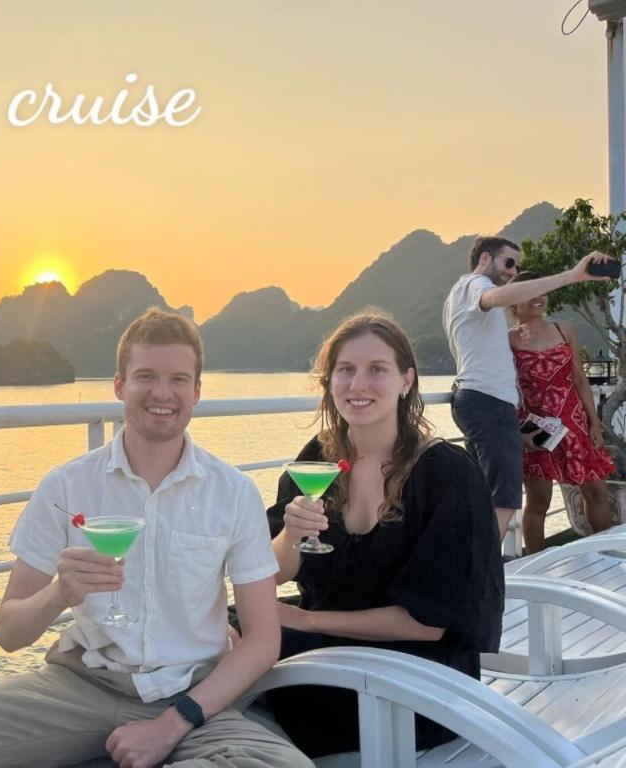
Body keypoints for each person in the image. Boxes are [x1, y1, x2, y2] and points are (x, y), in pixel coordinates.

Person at [0, 308, 312, 768]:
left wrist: (170, 726)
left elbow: (261, 641)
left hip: (194, 694)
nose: (162, 392)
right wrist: (59, 593)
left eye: (178, 379)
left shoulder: (231, 492)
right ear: (119, 385)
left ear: (196, 391)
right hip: (82, 686)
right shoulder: (67, 486)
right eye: (146, 376)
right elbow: (11, 633)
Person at [262, 312, 505, 758]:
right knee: (212, 633)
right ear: (329, 382)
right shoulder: (318, 458)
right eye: (346, 370)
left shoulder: (446, 474)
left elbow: (428, 625)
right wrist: (292, 534)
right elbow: (272, 574)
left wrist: (309, 620)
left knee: (234, 659)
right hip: (326, 657)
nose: (358, 385)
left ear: (406, 380)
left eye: (377, 369)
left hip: (416, 685)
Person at [443, 236, 613, 540]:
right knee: (514, 499)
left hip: (552, 417)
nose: (512, 271)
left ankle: (485, 561)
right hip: (515, 415)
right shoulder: (475, 287)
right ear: (485, 258)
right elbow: (497, 299)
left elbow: (577, 377)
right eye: (508, 263)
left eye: (516, 267)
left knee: (501, 495)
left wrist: (592, 422)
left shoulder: (497, 319)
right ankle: (490, 563)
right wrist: (572, 276)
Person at [507, 271, 614, 553]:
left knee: (596, 492)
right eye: (529, 293)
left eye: (541, 291)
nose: (538, 298)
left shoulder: (563, 330)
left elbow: (579, 379)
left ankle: (604, 555)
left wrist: (593, 421)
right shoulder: (507, 340)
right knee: (539, 501)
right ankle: (535, 565)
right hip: (536, 427)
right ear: (513, 302)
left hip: (575, 421)